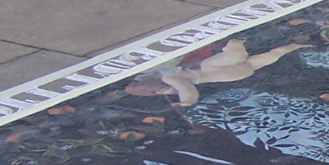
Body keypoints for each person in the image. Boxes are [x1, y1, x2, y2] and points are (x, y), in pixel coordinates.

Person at [125, 39, 304, 106]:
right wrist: (186, 102)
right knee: (230, 57)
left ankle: (294, 46)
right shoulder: (170, 78)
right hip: (218, 71)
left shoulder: (169, 80)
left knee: (266, 58)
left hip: (236, 74)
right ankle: (236, 44)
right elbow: (189, 92)